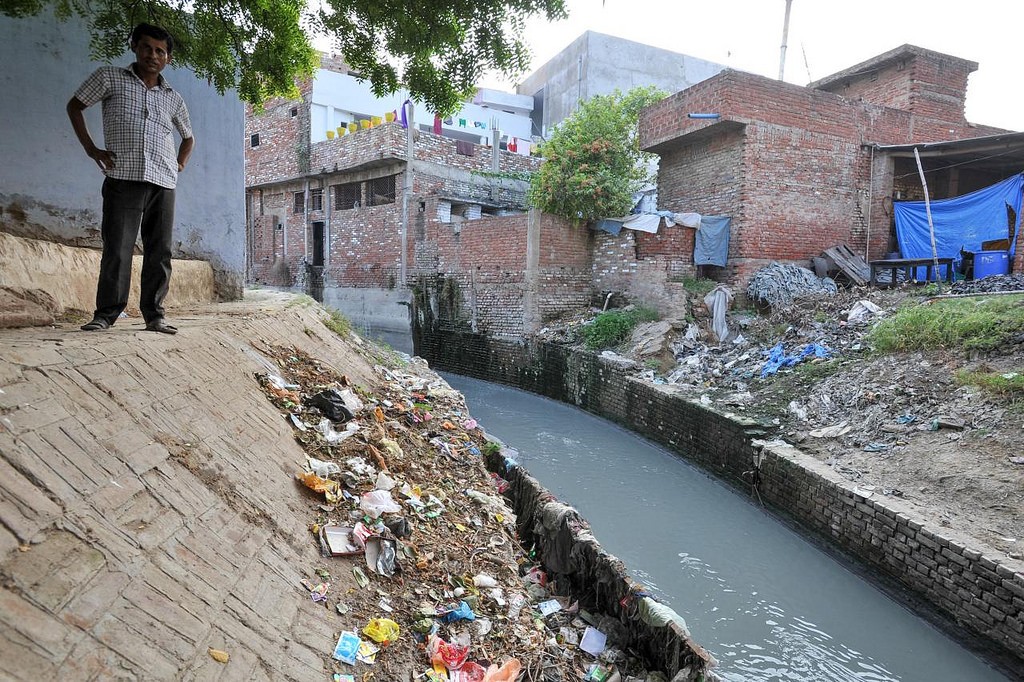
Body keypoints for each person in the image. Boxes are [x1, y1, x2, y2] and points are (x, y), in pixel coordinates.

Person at [67, 22, 195, 334]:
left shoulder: (173, 98)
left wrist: (178, 164)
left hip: (163, 181)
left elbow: (188, 137)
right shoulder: (110, 77)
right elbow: (75, 106)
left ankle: (154, 315)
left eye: (160, 51)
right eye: (147, 48)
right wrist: (91, 148)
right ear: (135, 48)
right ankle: (106, 314)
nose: (153, 55)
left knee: (159, 250)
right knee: (118, 247)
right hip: (123, 177)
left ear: (167, 59)